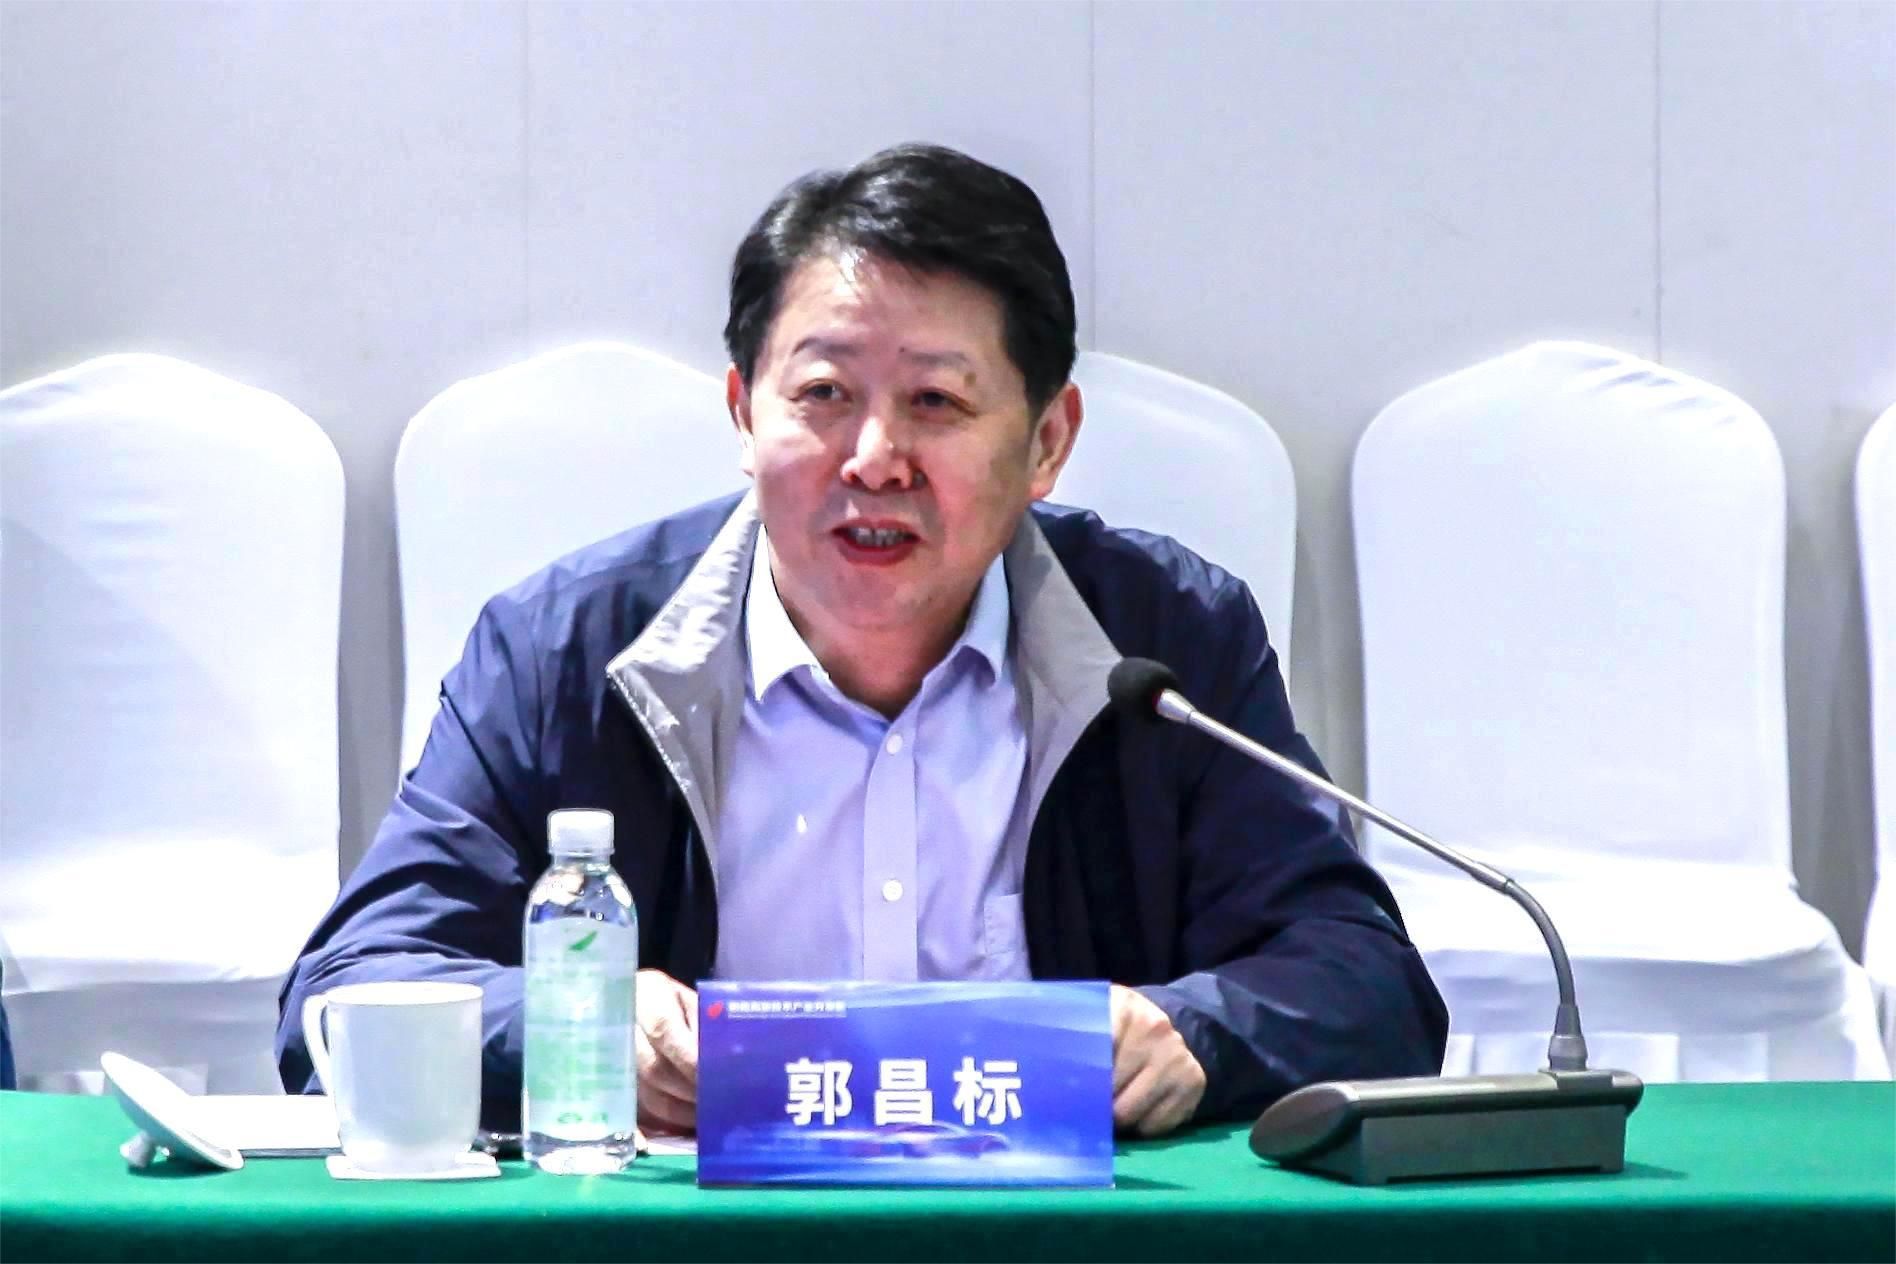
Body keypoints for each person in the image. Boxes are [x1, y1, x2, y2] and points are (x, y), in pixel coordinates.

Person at [277, 143, 1446, 1136]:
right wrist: (575, 1023)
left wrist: (1192, 1032)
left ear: (1048, 441)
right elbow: (346, 994)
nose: (874, 458)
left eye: (936, 401)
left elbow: (1366, 982)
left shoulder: (1166, 645)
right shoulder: (566, 653)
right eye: (824, 395)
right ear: (743, 413)